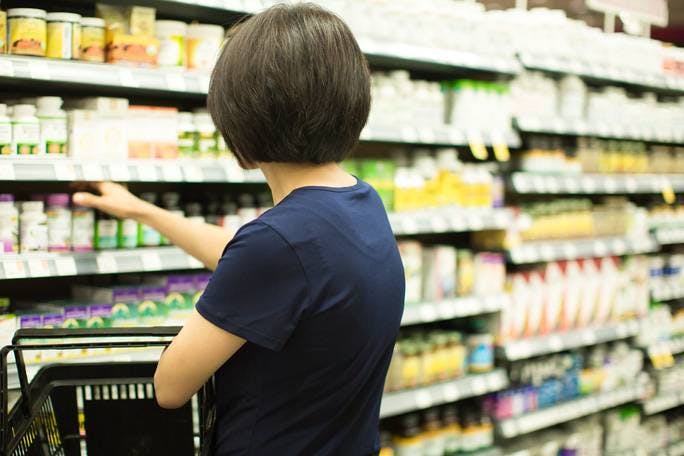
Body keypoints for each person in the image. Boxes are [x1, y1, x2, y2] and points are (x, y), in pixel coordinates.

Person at [73, 3, 404, 455]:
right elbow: (263, 260)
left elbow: (170, 386)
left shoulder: (277, 243)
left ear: (244, 117)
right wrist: (141, 211)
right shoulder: (361, 204)